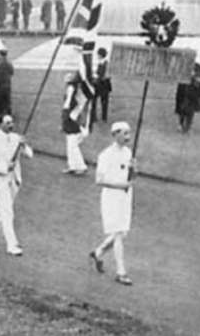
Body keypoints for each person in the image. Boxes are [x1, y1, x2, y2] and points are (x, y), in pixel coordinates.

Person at [89, 122, 135, 286]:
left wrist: (134, 170)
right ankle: (121, 272)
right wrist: (120, 185)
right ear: (115, 135)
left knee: (121, 233)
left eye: (129, 133)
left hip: (125, 197)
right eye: (124, 133)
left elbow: (129, 177)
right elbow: (99, 180)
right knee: (118, 234)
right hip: (111, 198)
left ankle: (98, 252)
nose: (128, 137)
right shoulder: (106, 155)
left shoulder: (128, 152)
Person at [0, 115, 33, 256]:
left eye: (12, 122)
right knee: (7, 211)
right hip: (0, 181)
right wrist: (4, 166)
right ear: (0, 124)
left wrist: (24, 145)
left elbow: (29, 155)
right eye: (8, 123)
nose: (11, 125)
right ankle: (12, 245)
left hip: (14, 180)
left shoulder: (16, 138)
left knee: (4, 208)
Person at [62, 71, 88, 174]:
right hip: (72, 118)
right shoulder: (77, 90)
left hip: (72, 118)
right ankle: (72, 165)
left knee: (72, 144)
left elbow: (67, 105)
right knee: (70, 144)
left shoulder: (72, 89)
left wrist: (66, 116)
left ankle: (81, 166)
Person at [175, 62, 200, 133]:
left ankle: (186, 127)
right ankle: (182, 125)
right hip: (185, 94)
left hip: (191, 95)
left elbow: (199, 83)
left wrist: (196, 78)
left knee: (189, 112)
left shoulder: (196, 68)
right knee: (183, 111)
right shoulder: (185, 67)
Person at [90, 48, 112, 127]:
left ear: (100, 55)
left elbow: (101, 75)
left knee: (96, 101)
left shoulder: (103, 64)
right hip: (104, 85)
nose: (97, 56)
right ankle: (103, 117)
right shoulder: (104, 63)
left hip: (101, 84)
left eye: (98, 54)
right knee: (103, 102)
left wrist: (93, 76)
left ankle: (96, 117)